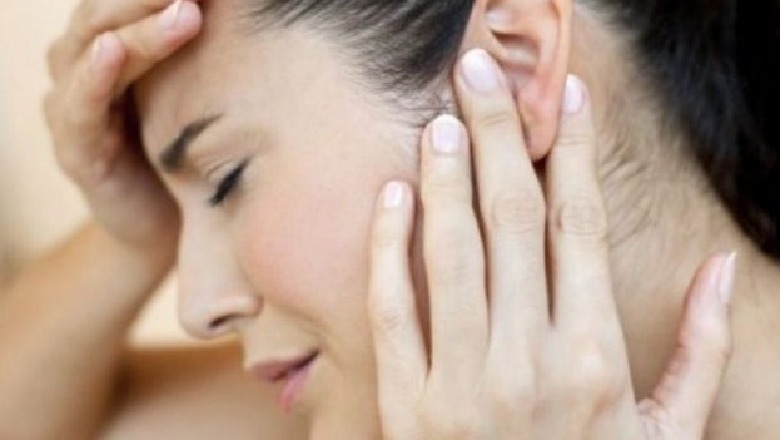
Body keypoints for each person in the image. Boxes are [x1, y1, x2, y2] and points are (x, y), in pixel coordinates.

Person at [1, 0, 777, 439]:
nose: (199, 306)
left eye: (227, 178)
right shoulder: (402, 406)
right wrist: (132, 234)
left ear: (508, 69)